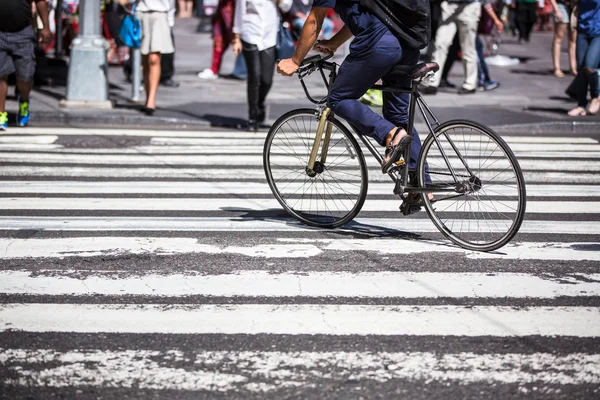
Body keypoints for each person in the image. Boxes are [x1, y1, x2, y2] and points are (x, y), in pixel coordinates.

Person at [276, 0, 432, 176]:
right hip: (407, 45)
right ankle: (420, 185)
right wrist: (334, 43)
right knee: (398, 115)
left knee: (337, 98)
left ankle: (390, 134)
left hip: (379, 43)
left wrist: (295, 61)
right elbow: (364, 13)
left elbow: (314, 20)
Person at [233, 0, 292, 131]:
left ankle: (259, 103)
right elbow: (239, 11)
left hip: (269, 35)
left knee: (266, 79)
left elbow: (287, 6)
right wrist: (236, 38)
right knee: (255, 76)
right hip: (249, 33)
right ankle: (252, 118)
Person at [0, 0, 51, 130]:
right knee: (1, 75)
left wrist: (45, 26)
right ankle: (1, 114)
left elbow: (41, 2)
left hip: (23, 33)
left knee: (25, 76)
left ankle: (24, 100)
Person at [425, 0, 484, 95]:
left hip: (468, 6)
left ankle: (470, 84)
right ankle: (432, 82)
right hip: (449, 5)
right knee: (440, 44)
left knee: (468, 48)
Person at [137, 0, 175, 115]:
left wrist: (170, 19)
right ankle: (148, 95)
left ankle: (151, 100)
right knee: (144, 58)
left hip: (160, 13)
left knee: (154, 58)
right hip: (141, 11)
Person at [198, 0, 247, 80]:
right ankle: (214, 68)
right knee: (219, 37)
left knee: (239, 38)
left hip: (236, 8)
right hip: (223, 7)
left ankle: (243, 70)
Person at [568, 0, 600, 116]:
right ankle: (581, 105)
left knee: (590, 65)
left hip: (598, 32)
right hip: (582, 30)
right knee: (581, 70)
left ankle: (596, 96)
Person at [550, 0, 578, 77]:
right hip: (561, 5)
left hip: (575, 6)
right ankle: (557, 68)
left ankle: (573, 68)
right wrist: (556, 9)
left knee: (573, 39)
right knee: (559, 37)